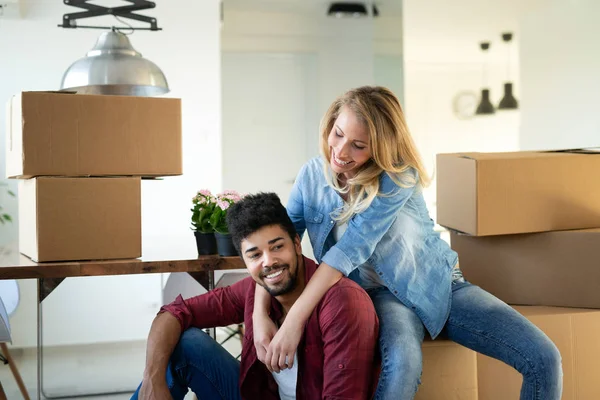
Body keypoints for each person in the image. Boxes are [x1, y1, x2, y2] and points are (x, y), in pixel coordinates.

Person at [252, 86, 563, 400]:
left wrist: (294, 320)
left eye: (358, 146)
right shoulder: (310, 177)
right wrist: (259, 315)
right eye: (338, 134)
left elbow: (348, 251)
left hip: (438, 284)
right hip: (377, 296)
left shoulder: (399, 176)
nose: (342, 152)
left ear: (380, 148)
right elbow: (279, 244)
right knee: (403, 364)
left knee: (544, 358)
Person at [132, 192, 380, 400]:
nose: (269, 262)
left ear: (296, 244)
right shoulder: (254, 291)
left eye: (277, 247)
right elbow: (173, 314)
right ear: (244, 261)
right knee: (186, 344)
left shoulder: (342, 302)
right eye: (255, 255)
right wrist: (152, 379)